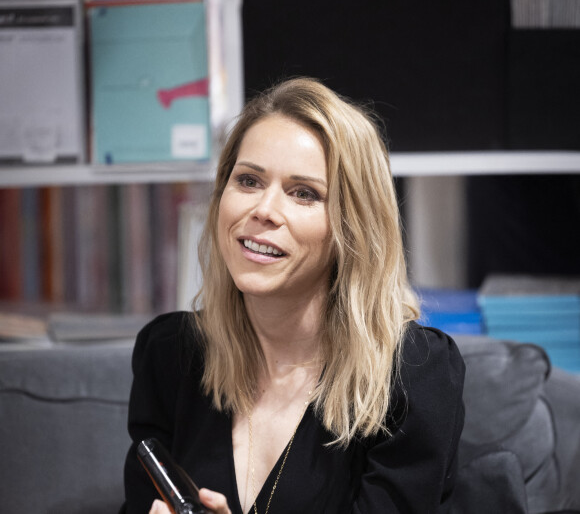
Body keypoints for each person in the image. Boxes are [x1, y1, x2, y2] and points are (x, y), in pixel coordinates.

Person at [120, 77, 465, 514]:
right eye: (248, 181)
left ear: (353, 228)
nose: (263, 210)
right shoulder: (170, 355)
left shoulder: (413, 374)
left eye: (304, 193)